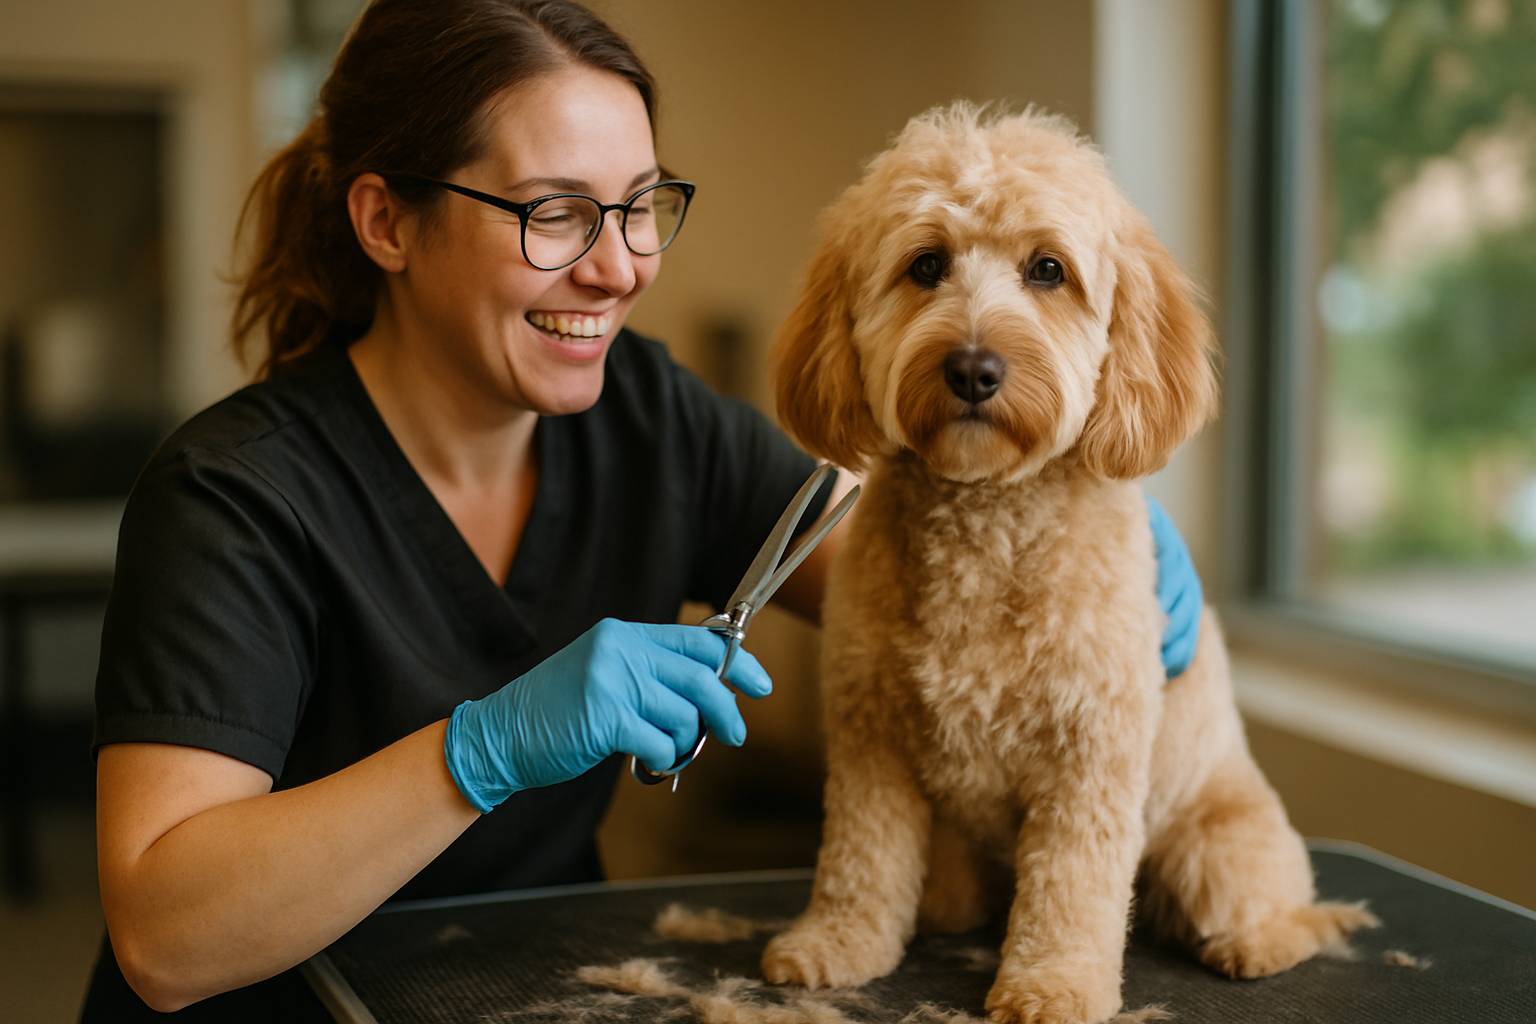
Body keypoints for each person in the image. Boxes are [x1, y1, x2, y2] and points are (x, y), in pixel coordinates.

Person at [82, 1, 1205, 1019]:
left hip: (525, 990)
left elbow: (891, 576)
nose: (620, 267)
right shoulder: (232, 498)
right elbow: (166, 938)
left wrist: (1089, 546)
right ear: (386, 222)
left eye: (639, 207)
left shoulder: (648, 415)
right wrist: (483, 750)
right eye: (556, 214)